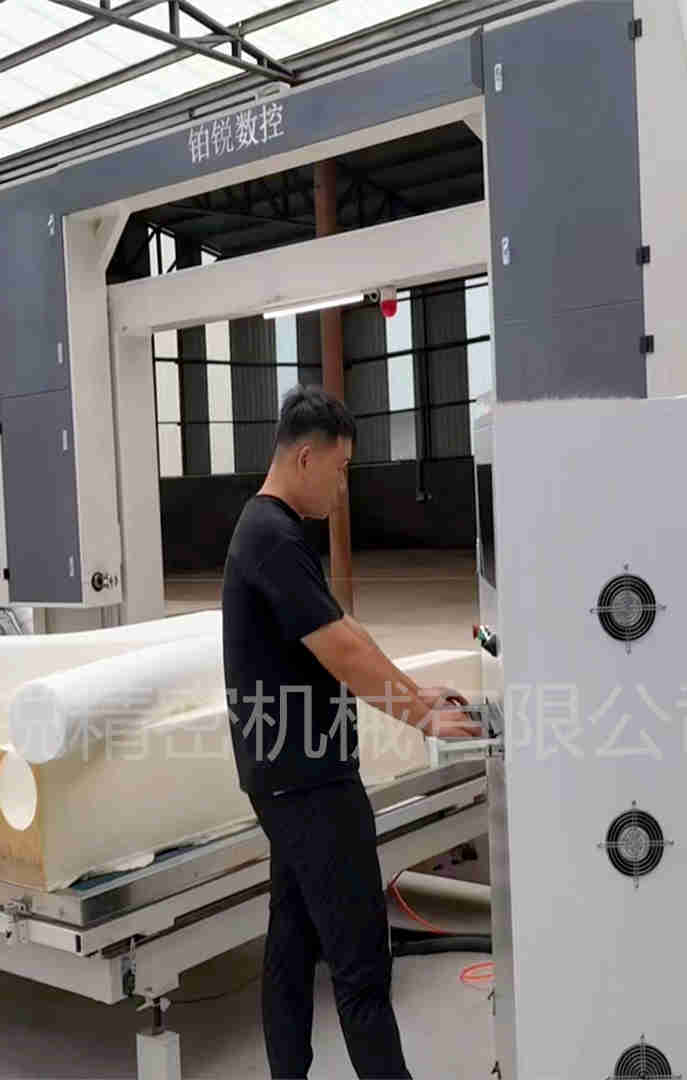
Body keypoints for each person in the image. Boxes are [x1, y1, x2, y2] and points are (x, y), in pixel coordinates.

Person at [222, 384, 482, 1080]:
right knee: (363, 966)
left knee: (292, 940)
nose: (343, 488)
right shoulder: (272, 538)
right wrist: (421, 717)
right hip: (310, 784)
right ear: (305, 458)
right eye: (339, 470)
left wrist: (418, 692)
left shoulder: (271, 530)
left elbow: (346, 633)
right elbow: (342, 650)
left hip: (286, 775)